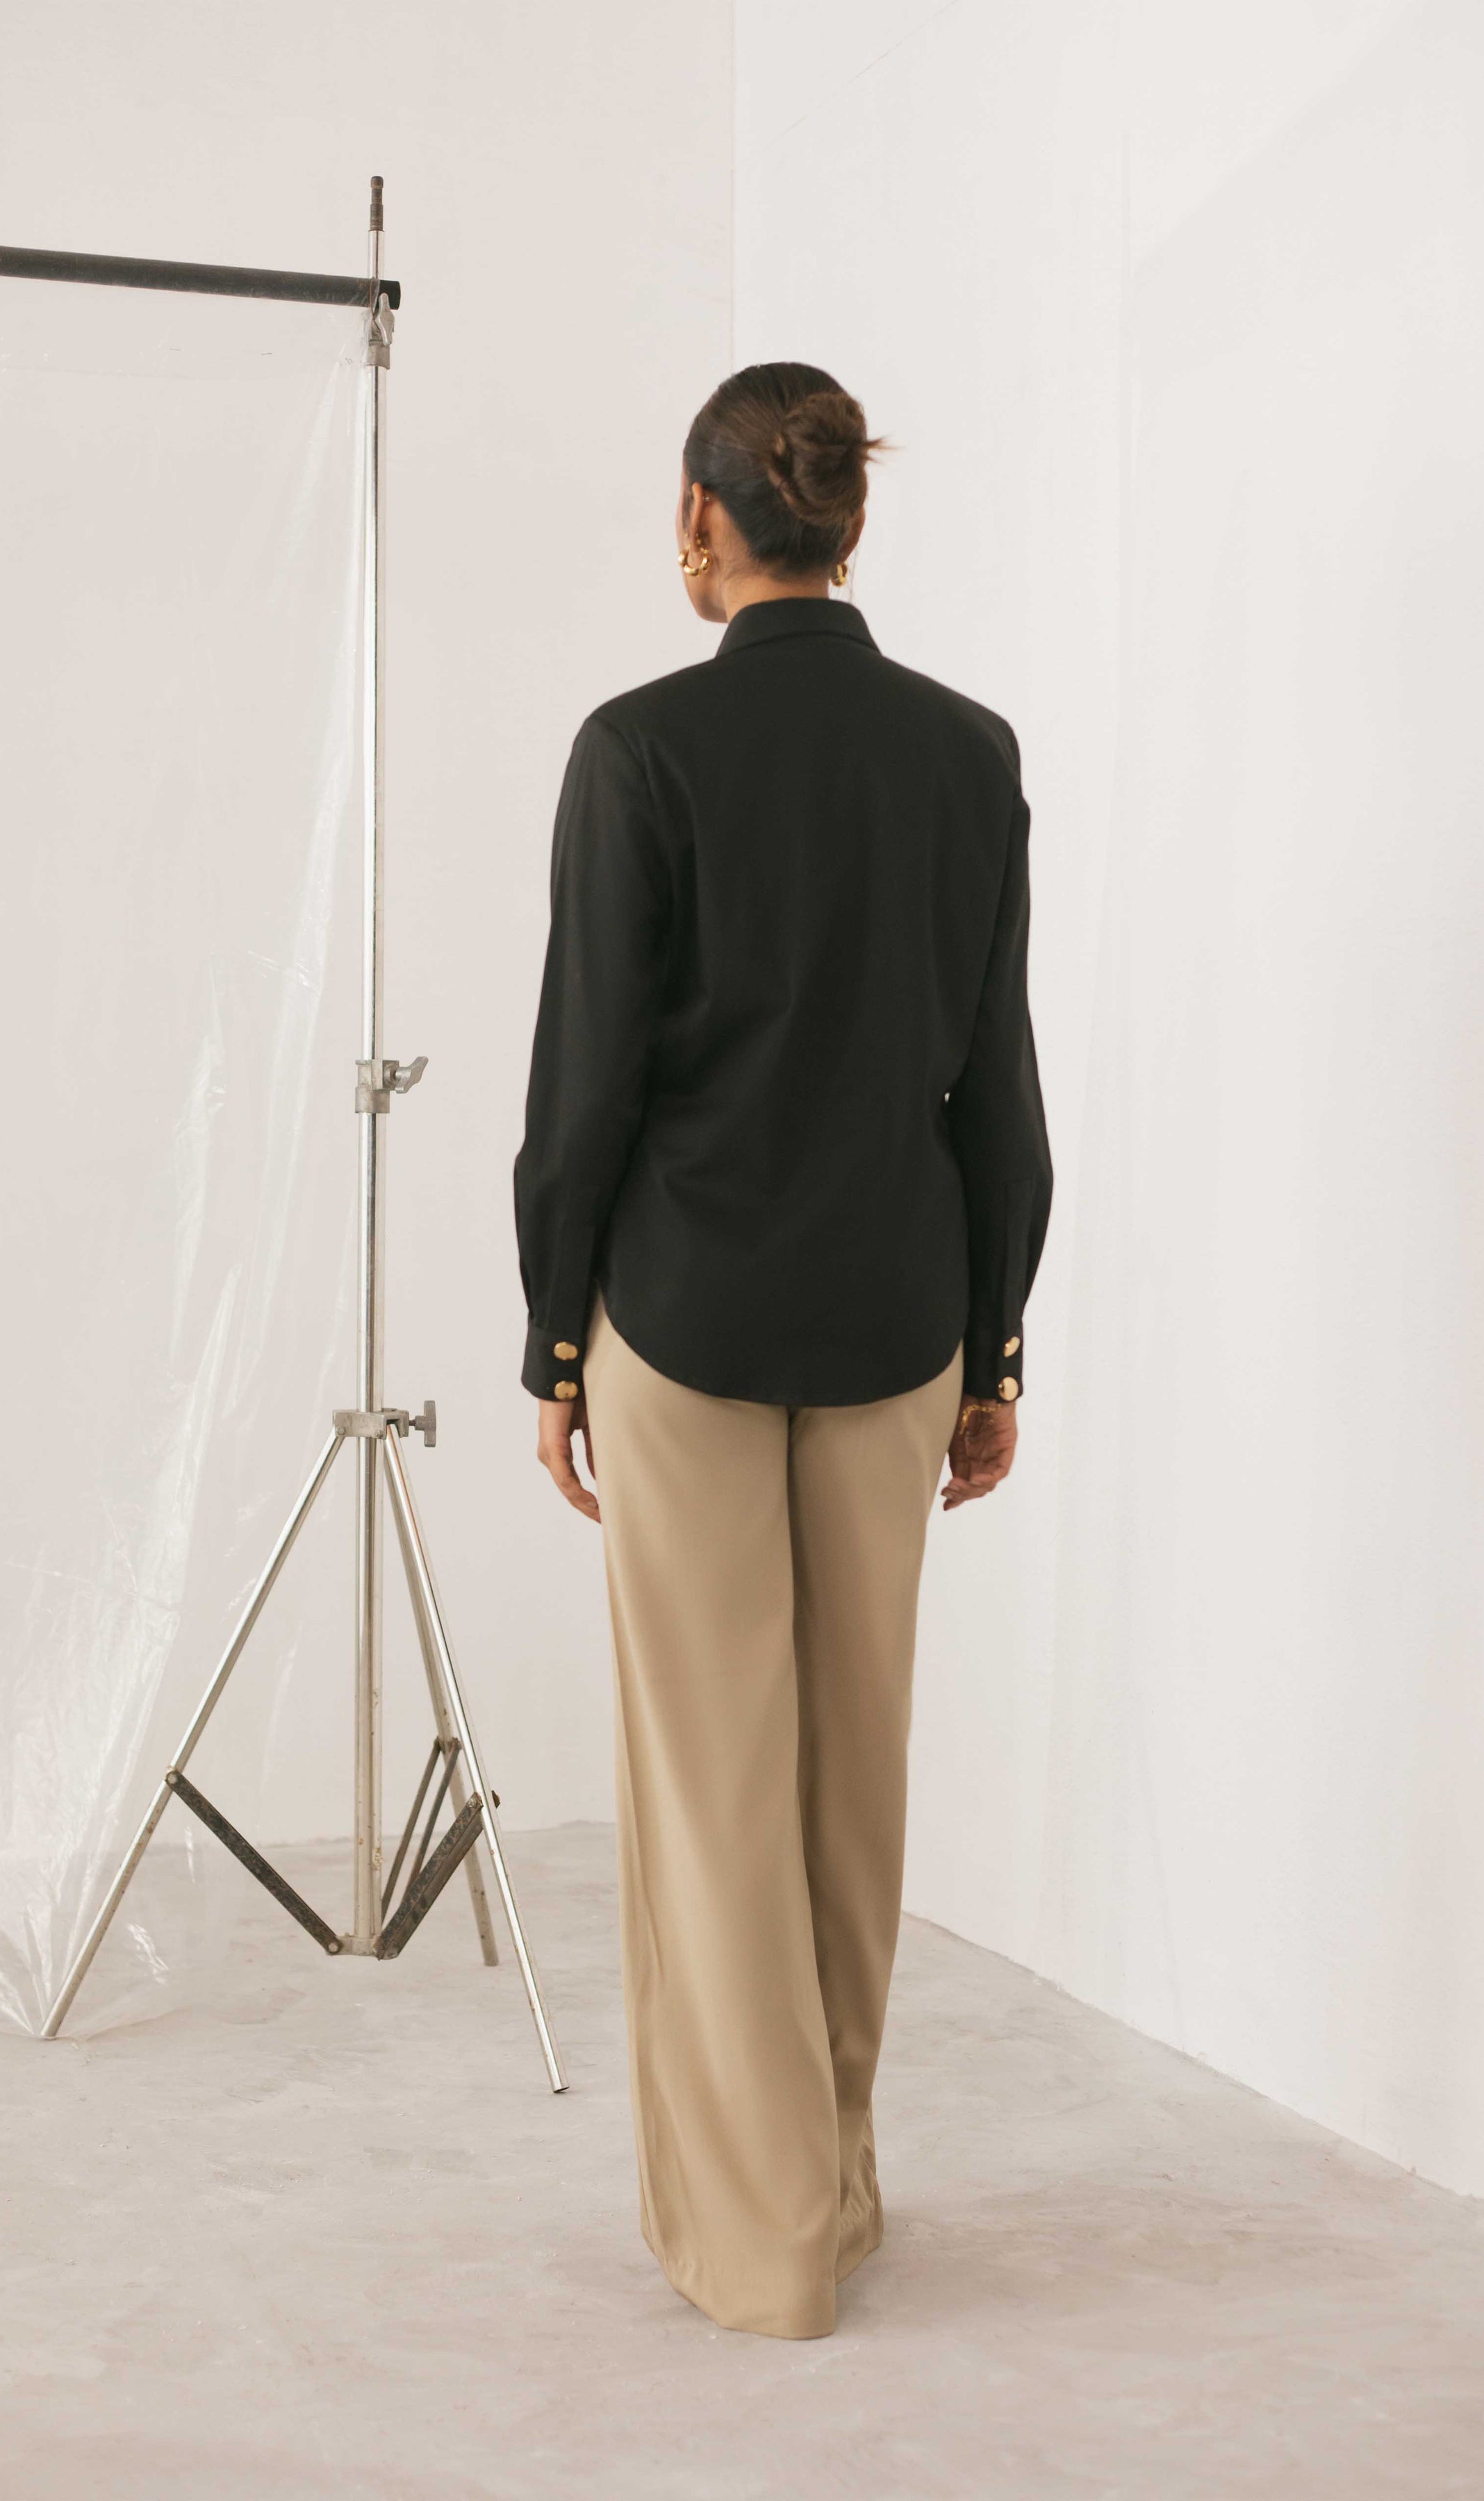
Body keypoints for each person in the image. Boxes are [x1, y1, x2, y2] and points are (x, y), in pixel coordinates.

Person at [513, 361, 1051, 2338]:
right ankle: (834, 2186)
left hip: (685, 1318)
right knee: (848, 1782)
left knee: (715, 1786)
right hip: (902, 1315)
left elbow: (588, 1082)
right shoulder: (968, 752)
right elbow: (996, 1083)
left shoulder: (638, 750)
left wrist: (552, 1337)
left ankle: (762, 2248)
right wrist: (997, 1348)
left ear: (699, 518)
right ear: (847, 520)